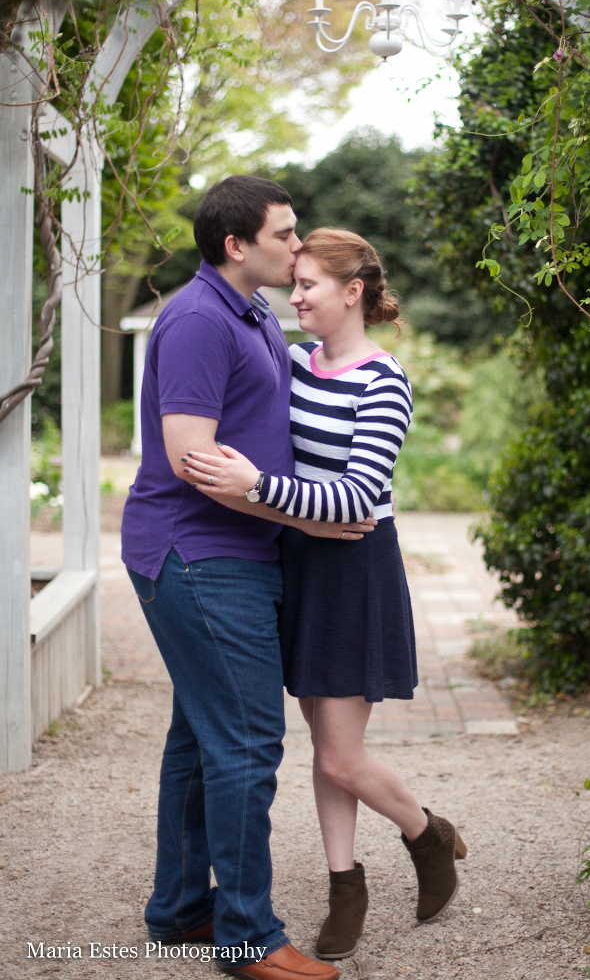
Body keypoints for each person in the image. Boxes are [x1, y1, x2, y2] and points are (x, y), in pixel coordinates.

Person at [182, 228, 467, 964]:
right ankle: (346, 884)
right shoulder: (299, 361)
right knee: (326, 744)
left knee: (342, 757)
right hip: (298, 558)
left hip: (352, 569)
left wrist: (256, 487)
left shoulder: (384, 380)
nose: (294, 294)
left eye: (308, 284)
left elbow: (358, 496)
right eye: (294, 281)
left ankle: (425, 833)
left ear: (353, 292)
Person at [121, 178, 378, 980]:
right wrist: (306, 518)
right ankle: (246, 937)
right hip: (200, 555)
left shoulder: (254, 314)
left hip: (234, 552)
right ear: (237, 245)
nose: (298, 249)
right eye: (285, 235)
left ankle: (179, 909)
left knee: (200, 739)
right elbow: (191, 458)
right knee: (245, 742)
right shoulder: (199, 319)